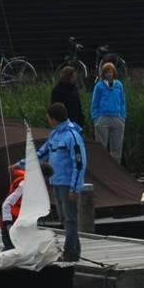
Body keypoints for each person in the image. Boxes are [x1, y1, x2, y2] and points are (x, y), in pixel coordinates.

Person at [35, 102, 88, 262]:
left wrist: (74, 188)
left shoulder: (72, 136)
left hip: (67, 184)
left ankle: (70, 253)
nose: (48, 121)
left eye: (48, 118)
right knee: (64, 218)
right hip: (56, 182)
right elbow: (41, 153)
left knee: (70, 218)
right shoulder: (54, 135)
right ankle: (74, 250)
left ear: (54, 118)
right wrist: (21, 164)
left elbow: (79, 163)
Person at [91, 61, 127, 164]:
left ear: (114, 73)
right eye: (106, 72)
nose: (109, 74)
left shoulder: (119, 85)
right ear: (103, 74)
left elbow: (123, 101)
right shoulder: (99, 86)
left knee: (117, 147)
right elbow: (95, 103)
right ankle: (102, 170)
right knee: (101, 147)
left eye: (110, 72)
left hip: (117, 118)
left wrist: (123, 116)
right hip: (102, 118)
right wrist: (96, 118)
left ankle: (115, 172)